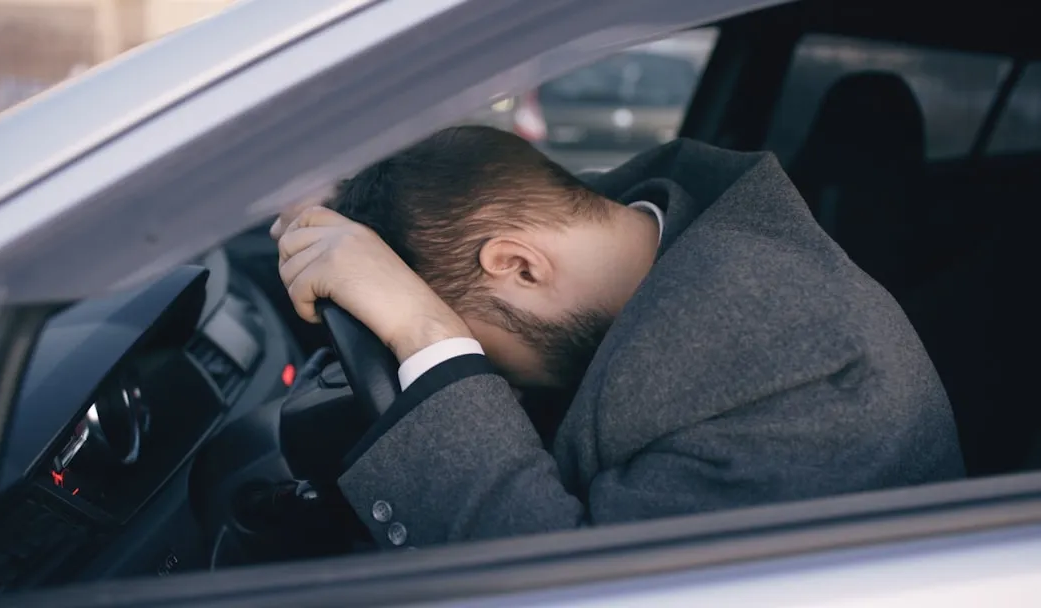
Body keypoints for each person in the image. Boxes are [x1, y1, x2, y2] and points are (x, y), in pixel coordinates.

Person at [272, 126, 964, 548]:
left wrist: (425, 332)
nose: (497, 383)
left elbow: (557, 591)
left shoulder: (793, 359)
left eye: (478, 350)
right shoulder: (650, 247)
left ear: (518, 265)